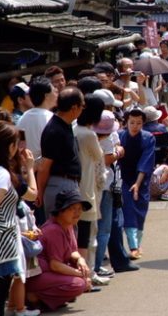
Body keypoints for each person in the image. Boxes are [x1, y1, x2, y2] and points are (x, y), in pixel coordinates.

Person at [25, 190, 92, 311]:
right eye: (72, 208)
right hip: (37, 276)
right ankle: (33, 297)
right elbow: (55, 265)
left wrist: (81, 260)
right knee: (78, 284)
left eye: (79, 208)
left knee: (77, 269)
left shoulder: (68, 224)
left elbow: (73, 251)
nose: (77, 212)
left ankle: (50, 299)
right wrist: (82, 275)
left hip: (50, 273)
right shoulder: (53, 229)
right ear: (61, 211)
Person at [0, 122, 34, 314]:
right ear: (10, 147)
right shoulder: (3, 174)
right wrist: (29, 168)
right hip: (3, 242)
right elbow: (33, 195)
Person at [73, 94, 107, 286]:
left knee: (78, 236)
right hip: (88, 189)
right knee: (88, 235)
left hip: (76, 187)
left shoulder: (74, 129)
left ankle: (86, 274)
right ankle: (88, 275)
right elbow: (98, 156)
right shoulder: (88, 134)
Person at [36, 87, 84, 216]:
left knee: (70, 233)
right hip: (60, 185)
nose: (82, 109)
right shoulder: (54, 130)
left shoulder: (65, 124)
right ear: (74, 107)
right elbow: (44, 167)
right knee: (60, 230)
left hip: (69, 184)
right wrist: (40, 192)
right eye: (82, 106)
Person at [118, 108, 156, 260]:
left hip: (142, 180)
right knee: (128, 211)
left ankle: (138, 244)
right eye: (131, 122)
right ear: (126, 122)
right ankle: (133, 246)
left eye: (138, 123)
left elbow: (146, 162)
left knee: (140, 212)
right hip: (123, 179)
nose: (134, 126)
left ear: (143, 123)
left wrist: (138, 184)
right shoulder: (119, 136)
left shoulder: (148, 138)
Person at [93, 110, 121, 279]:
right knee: (103, 229)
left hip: (87, 186)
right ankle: (95, 266)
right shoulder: (106, 139)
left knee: (90, 229)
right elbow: (109, 159)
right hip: (104, 185)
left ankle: (93, 266)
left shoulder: (82, 133)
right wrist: (119, 152)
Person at [17, 77, 57, 162]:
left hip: (28, 167)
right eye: (54, 91)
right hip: (47, 168)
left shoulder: (22, 118)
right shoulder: (51, 119)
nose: (56, 94)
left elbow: (20, 145)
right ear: (46, 95)